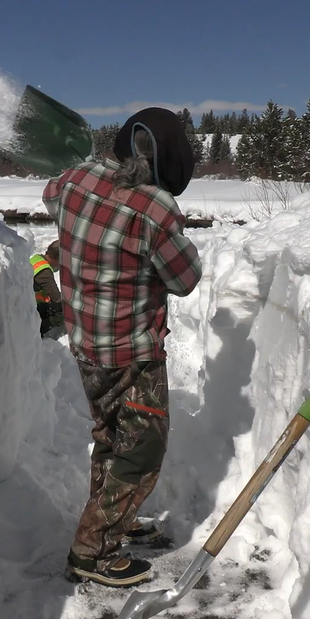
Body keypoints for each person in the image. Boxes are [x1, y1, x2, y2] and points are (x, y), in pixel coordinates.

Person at [42, 107, 202, 587]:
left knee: (112, 434)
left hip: (86, 341)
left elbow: (51, 196)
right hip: (132, 350)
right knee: (141, 450)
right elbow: (185, 279)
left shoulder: (75, 179)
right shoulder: (155, 208)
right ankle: (93, 552)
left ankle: (113, 519)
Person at [32, 240, 65, 339]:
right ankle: (41, 332)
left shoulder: (36, 258)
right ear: (56, 259)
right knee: (66, 314)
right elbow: (57, 298)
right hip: (32, 310)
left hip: (27, 303)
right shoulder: (44, 272)